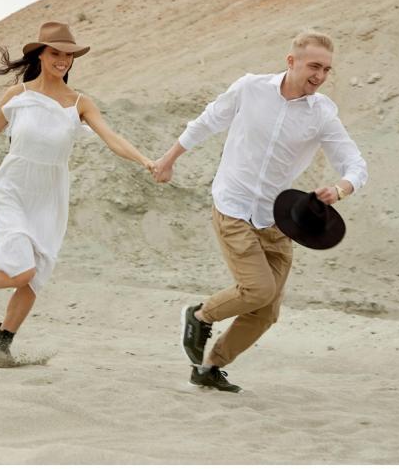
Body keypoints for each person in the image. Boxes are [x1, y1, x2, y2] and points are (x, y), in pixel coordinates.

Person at [0, 21, 154, 361]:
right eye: (55, 53)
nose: (63, 60)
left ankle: (2, 346)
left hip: (51, 195)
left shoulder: (80, 103)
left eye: (68, 55)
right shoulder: (19, 96)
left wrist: (146, 161)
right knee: (21, 269)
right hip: (14, 186)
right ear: (41, 55)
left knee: (34, 277)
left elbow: (112, 138)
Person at [152, 31, 368, 392]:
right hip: (233, 206)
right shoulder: (250, 89)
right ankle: (200, 315)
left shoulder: (323, 114)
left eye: (327, 70)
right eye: (314, 66)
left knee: (266, 311)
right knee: (257, 289)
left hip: (278, 219)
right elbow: (206, 122)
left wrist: (342, 188)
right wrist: (168, 160)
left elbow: (355, 164)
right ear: (291, 61)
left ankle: (209, 367)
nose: (320, 76)